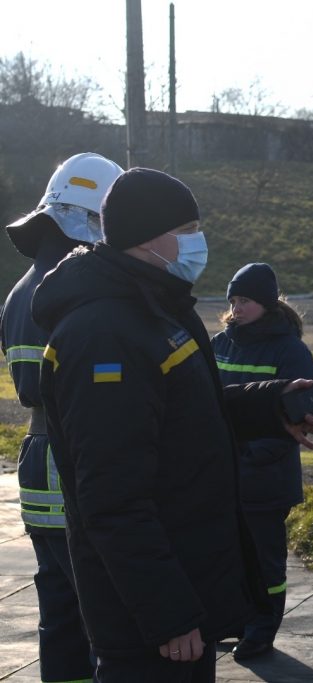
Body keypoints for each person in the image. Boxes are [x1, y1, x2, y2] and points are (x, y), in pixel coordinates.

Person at [31, 167, 313, 682]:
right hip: (150, 622)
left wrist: (271, 406)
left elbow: (185, 410)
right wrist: (168, 617)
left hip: (181, 591)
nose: (197, 240)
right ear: (150, 236)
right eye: (187, 228)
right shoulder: (107, 333)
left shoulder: (151, 307)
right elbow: (113, 499)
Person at [1, 152, 122, 683]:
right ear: (94, 221)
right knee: (108, 617)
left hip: (38, 464)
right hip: (76, 466)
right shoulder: (72, 290)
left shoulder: (20, 291)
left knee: (60, 614)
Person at [211, 262, 313, 661]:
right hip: (222, 475)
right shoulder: (218, 343)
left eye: (246, 301)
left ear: (267, 304)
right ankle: (236, 619)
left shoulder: (290, 350)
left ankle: (262, 626)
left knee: (263, 560)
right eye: (234, 300)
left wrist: (248, 456)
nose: (237, 308)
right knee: (228, 555)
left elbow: (297, 416)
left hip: (263, 478)